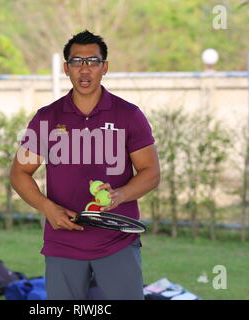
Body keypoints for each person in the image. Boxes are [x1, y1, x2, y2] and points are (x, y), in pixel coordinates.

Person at [9, 30, 160, 300]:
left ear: (105, 68)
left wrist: (120, 194)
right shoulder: (47, 118)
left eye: (93, 61)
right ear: (66, 68)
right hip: (62, 243)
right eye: (77, 62)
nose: (85, 69)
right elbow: (20, 173)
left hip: (117, 241)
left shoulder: (129, 115)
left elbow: (150, 173)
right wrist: (47, 208)